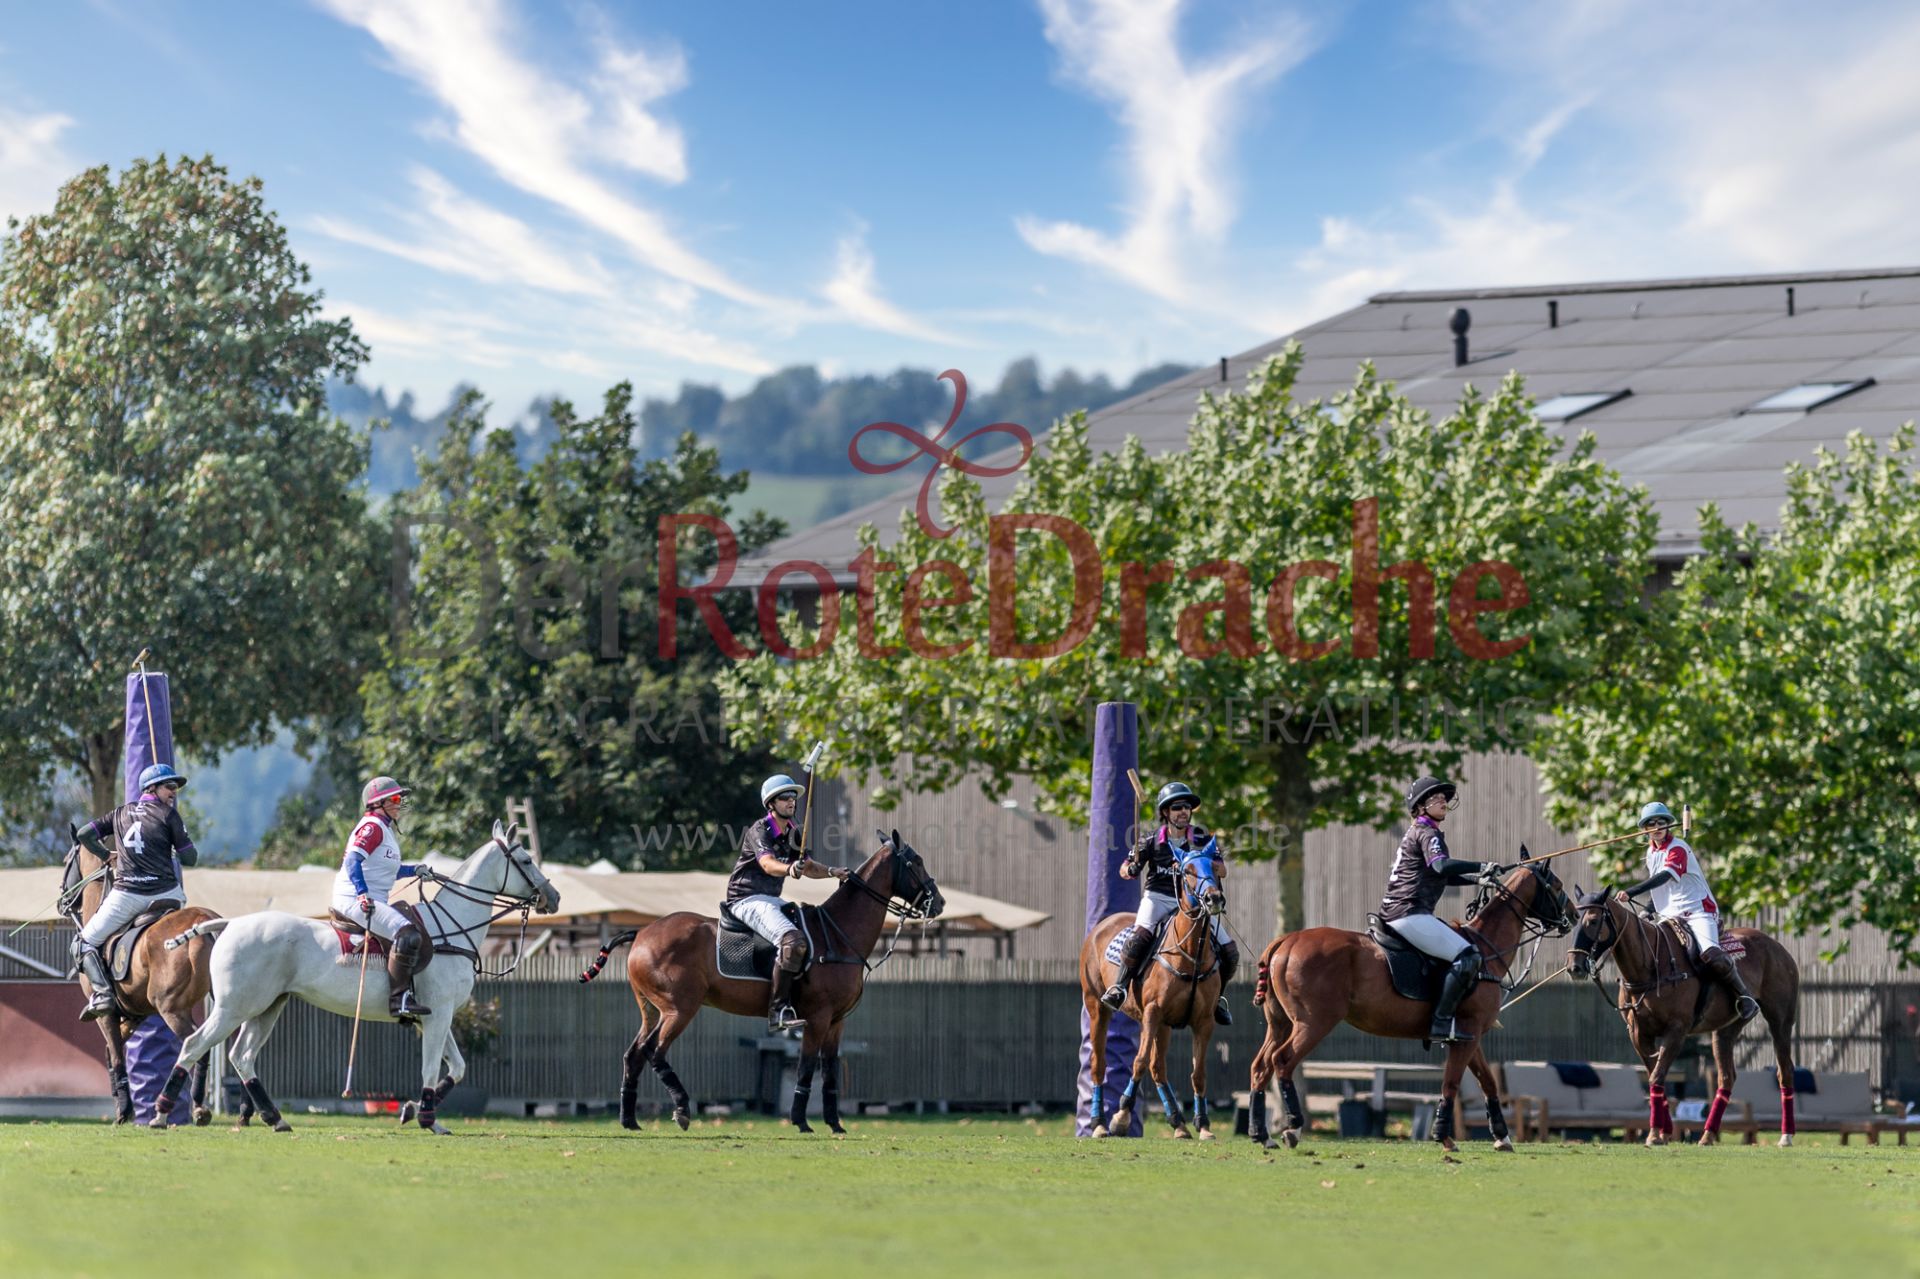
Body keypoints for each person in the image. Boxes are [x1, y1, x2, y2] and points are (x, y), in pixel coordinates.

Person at [1101, 782, 1239, 1025]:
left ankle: (1217, 999)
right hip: (1158, 897)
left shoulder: (1202, 839)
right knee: (1138, 938)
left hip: (1192, 903)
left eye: (1187, 807)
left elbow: (1223, 870)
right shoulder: (1150, 840)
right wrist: (1131, 868)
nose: (1183, 811)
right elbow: (1124, 868)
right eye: (1177, 807)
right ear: (1166, 812)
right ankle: (1120, 987)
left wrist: (1208, 864)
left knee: (1229, 951)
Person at [1377, 776, 1502, 1043]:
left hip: (1401, 912)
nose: (1443, 801)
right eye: (1436, 797)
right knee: (1469, 956)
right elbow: (1441, 866)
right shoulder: (1427, 833)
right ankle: (1441, 1022)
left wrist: (1478, 879)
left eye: (1444, 797)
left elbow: (1441, 874)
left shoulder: (1420, 831)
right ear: (1420, 806)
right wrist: (1481, 866)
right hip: (1409, 913)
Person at [69, 764, 199, 1021]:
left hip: (128, 895)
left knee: (82, 943)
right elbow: (190, 859)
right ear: (152, 788)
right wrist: (177, 846)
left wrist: (106, 855)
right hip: (168, 895)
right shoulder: (169, 815)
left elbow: (84, 834)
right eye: (169, 786)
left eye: (175, 787)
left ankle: (103, 994)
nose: (174, 792)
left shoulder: (119, 813)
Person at [725, 773, 848, 1033]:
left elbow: (808, 866)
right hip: (746, 897)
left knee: (812, 936)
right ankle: (777, 1011)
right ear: (771, 803)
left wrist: (832, 872)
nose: (791, 801)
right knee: (793, 941)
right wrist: (790, 868)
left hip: (771, 899)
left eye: (793, 797)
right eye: (784, 797)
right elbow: (767, 864)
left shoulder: (794, 831)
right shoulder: (761, 829)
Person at [1616, 801, 1758, 1022]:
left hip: (1698, 911)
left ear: (1668, 825)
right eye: (1651, 823)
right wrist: (1650, 910)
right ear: (1645, 830)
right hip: (1670, 915)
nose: (1657, 826)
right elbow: (1662, 887)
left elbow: (1665, 876)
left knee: (1710, 953)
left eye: (1661, 822)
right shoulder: (1651, 852)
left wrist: (1632, 891)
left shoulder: (1678, 848)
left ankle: (1745, 996)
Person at [331, 777, 433, 1022]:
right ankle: (399, 999)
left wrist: (414, 870)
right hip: (354, 899)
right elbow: (352, 861)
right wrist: (362, 893)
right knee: (408, 934)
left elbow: (386, 871)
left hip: (370, 897)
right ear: (377, 803)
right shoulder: (372, 827)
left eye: (400, 798)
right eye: (395, 799)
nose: (400, 803)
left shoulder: (385, 830)